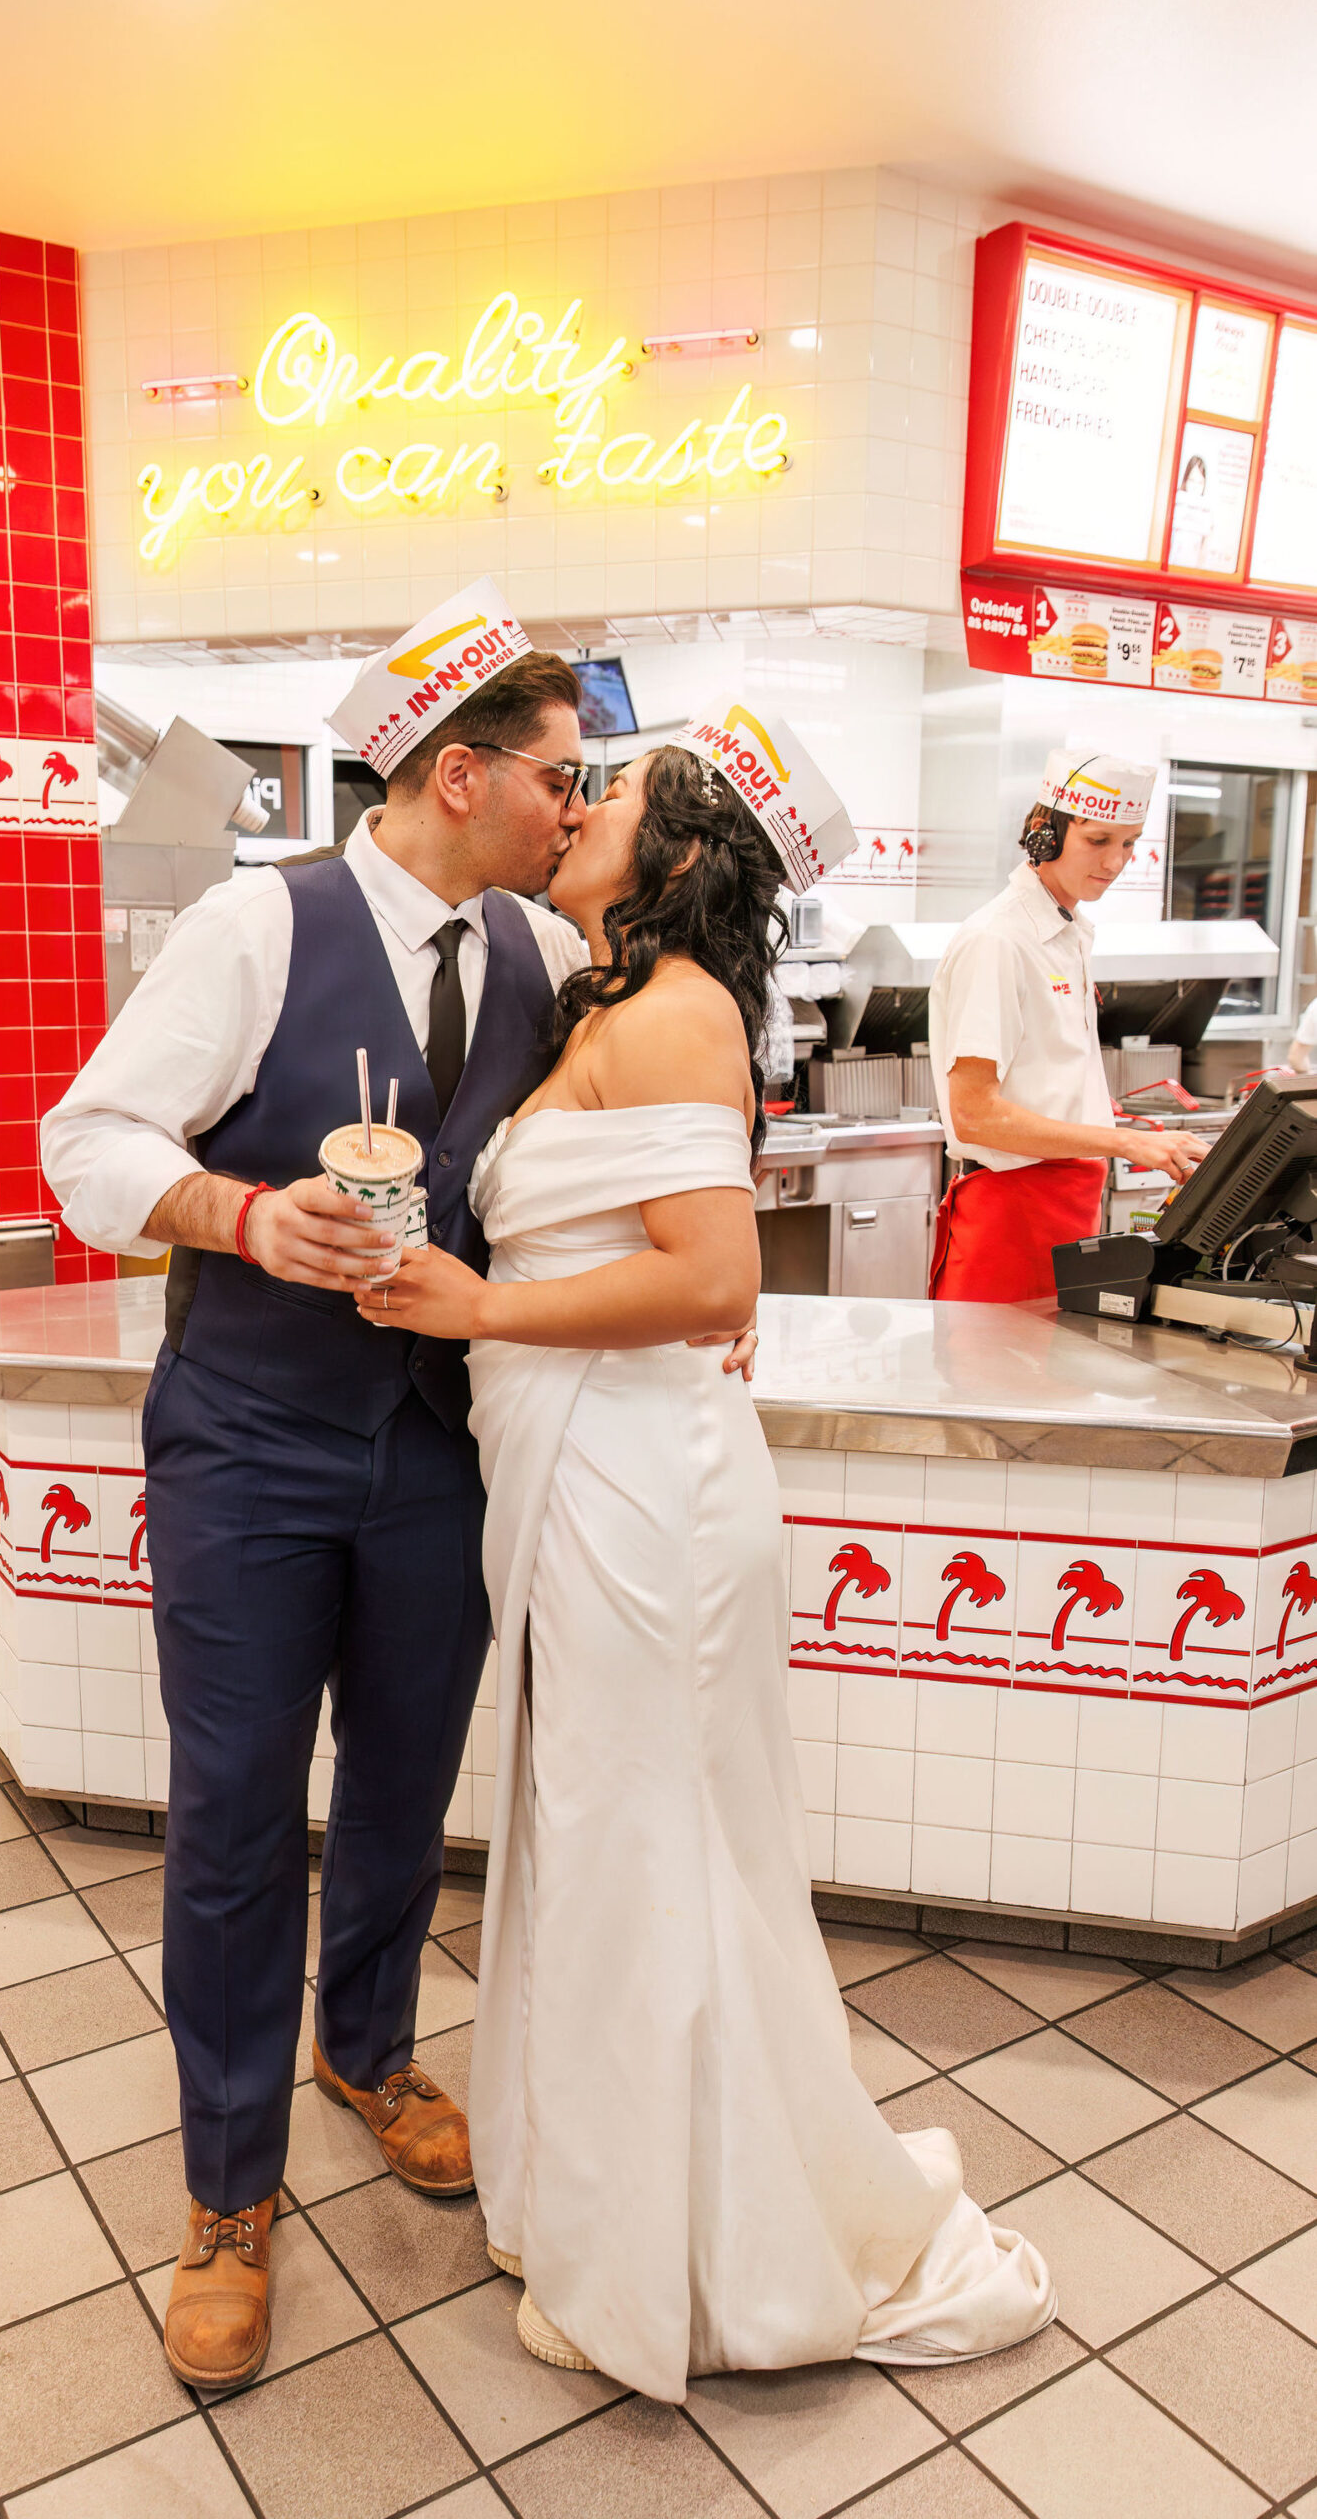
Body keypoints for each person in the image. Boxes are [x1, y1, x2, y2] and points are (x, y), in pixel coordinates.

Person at [356, 701, 1056, 2398]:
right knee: (604, 1840)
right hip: (593, 1473)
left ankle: (684, 2253)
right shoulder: (599, 986)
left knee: (639, 1852)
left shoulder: (675, 1013)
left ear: (676, 853)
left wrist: (482, 1305)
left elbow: (714, 1282)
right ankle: (612, 2201)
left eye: (615, 796)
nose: (577, 807)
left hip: (642, 1499)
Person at [40, 581, 593, 2385]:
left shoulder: (539, 959)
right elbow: (94, 1142)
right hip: (253, 1442)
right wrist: (244, 1212)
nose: (573, 808)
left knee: (405, 1784)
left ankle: (368, 2046)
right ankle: (223, 2191)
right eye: (555, 776)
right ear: (454, 777)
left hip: (436, 1449)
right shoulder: (253, 928)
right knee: (231, 1815)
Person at [927, 752, 1207, 1303]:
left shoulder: (1069, 932)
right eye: (1098, 841)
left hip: (1067, 1209)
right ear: (1043, 835)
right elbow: (975, 1113)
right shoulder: (999, 940)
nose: (1116, 861)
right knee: (992, 1382)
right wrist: (1126, 1141)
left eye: (1129, 843)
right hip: (1011, 1216)